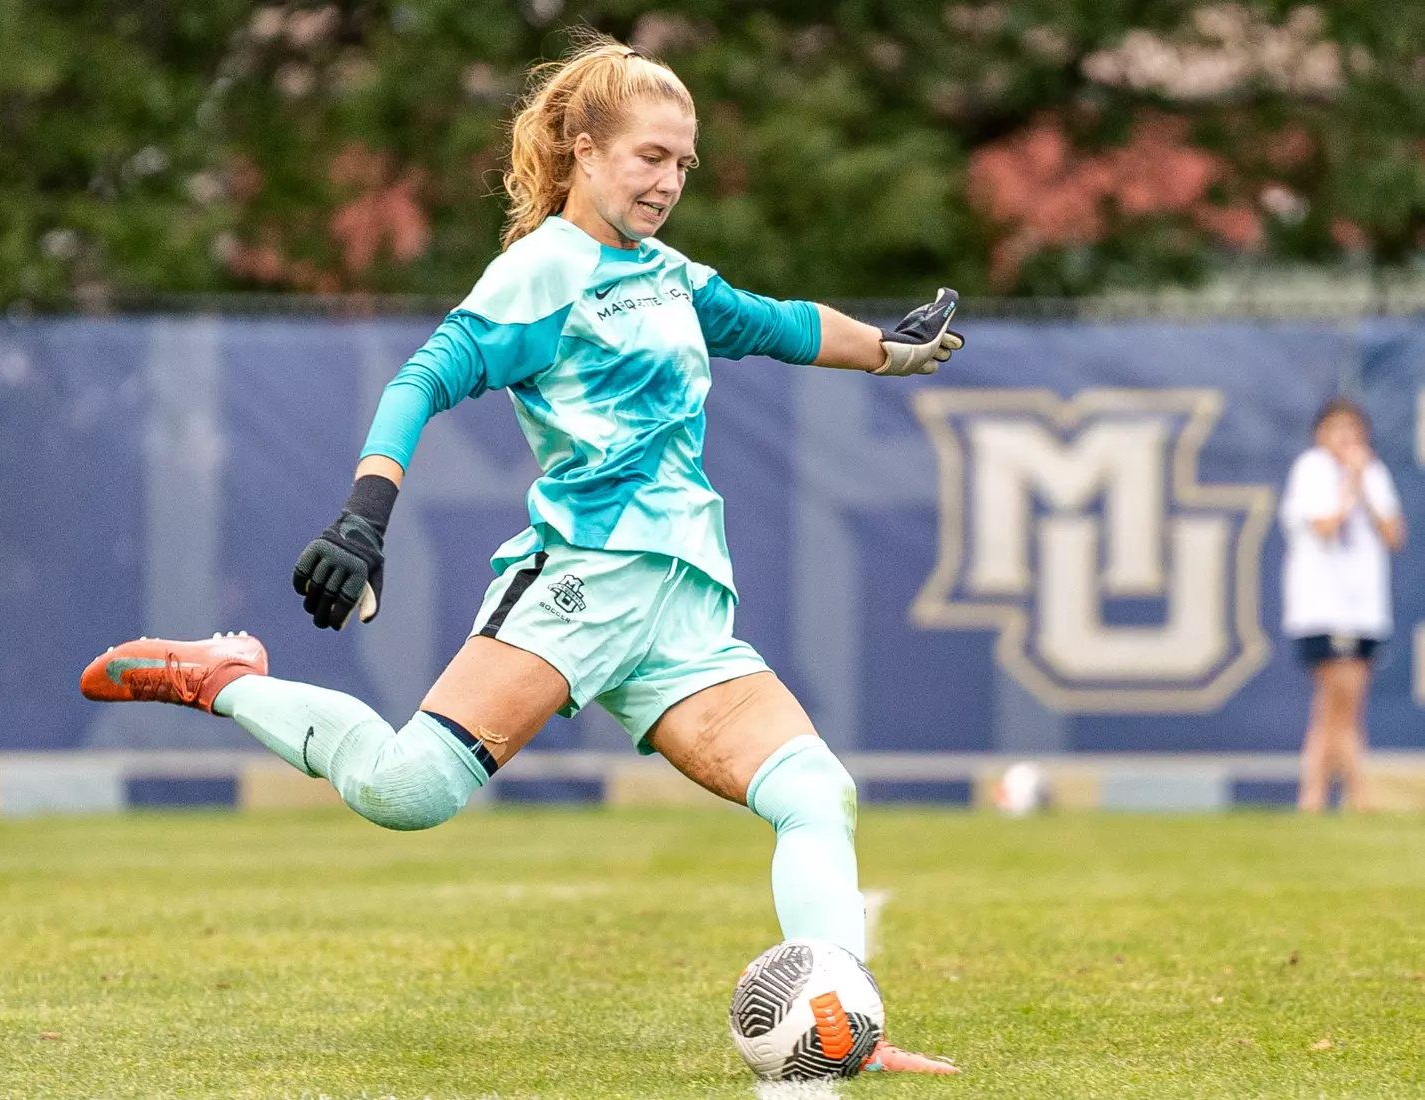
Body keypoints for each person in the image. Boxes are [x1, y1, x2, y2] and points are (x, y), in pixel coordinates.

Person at [80, 34, 962, 1074]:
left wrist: (887, 349)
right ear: (583, 152)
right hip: (581, 582)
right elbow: (425, 377)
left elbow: (771, 323)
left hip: (680, 606)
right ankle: (228, 678)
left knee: (816, 792)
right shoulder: (541, 272)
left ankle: (840, 1017)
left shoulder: (669, 275)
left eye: (685, 161)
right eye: (650, 156)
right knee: (406, 791)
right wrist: (367, 510)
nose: (671, 179)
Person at [1279, 397, 1406, 812]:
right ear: (1320, 434)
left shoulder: (1375, 474)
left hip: (1365, 609)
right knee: (1340, 702)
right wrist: (1350, 484)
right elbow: (1326, 525)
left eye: (1354, 429)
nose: (1347, 438)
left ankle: (1314, 795)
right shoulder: (1311, 471)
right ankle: (1356, 793)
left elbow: (1394, 534)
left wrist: (1363, 484)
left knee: (1337, 708)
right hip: (1324, 607)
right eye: (1338, 429)